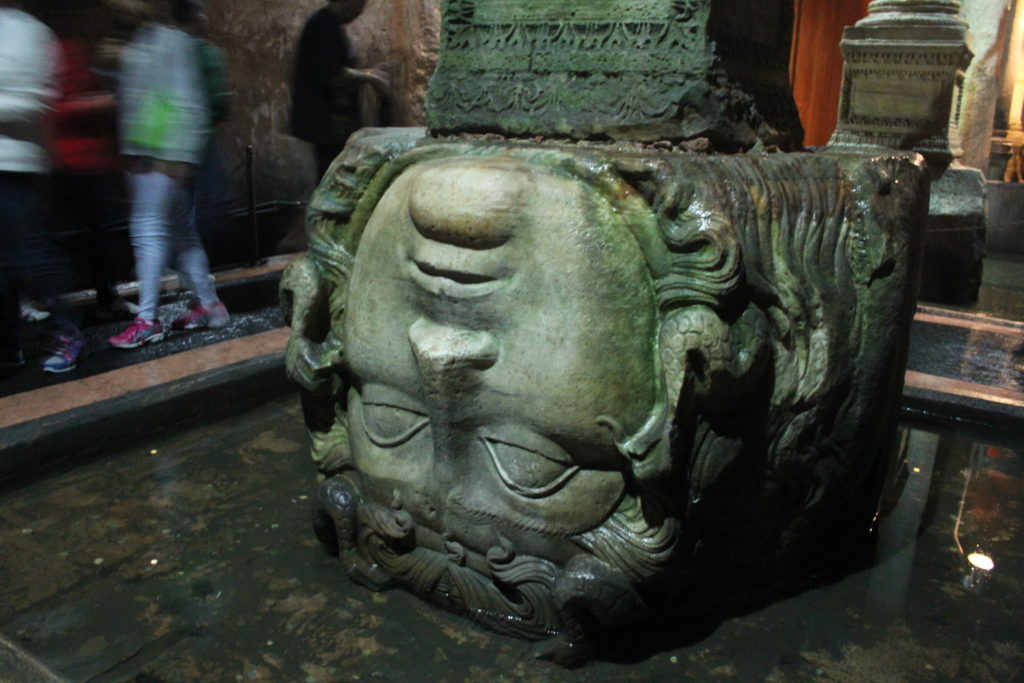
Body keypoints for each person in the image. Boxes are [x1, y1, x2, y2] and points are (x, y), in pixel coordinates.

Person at [109, 0, 228, 350]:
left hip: (160, 157)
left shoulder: (166, 41)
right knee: (182, 234)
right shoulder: (140, 42)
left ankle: (147, 321)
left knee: (147, 231)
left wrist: (178, 155)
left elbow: (188, 99)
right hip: (153, 155)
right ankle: (210, 305)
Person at [0, 0, 58, 376]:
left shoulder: (30, 31)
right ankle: (8, 346)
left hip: (18, 164)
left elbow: (36, 100)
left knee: (29, 258)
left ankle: (63, 330)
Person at [289, 0, 387, 180]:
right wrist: (370, 76)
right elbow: (332, 74)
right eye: (361, 5)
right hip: (328, 124)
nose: (360, 12)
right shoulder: (323, 25)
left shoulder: (329, 24)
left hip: (335, 124)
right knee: (333, 179)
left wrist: (370, 73)